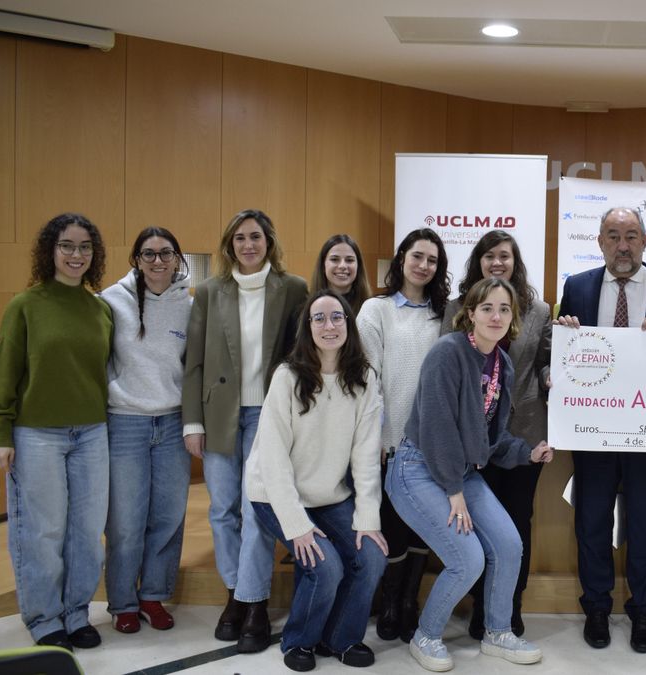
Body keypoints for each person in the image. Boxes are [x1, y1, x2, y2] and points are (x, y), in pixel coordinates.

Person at [388, 277, 554, 672]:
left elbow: (491, 439)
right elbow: (437, 428)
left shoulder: (502, 364)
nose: (496, 316)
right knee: (468, 559)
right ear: (471, 314)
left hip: (459, 473)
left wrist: (528, 452)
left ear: (513, 317)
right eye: (487, 308)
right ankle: (426, 636)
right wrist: (453, 490)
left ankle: (498, 632)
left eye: (504, 309)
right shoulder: (448, 352)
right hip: (418, 468)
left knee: (510, 545)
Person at [556, 206, 646, 654]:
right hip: (593, 429)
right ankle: (596, 607)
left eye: (631, 236)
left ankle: (644, 610)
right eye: (613, 236)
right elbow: (566, 357)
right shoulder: (577, 287)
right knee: (591, 521)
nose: (622, 246)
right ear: (599, 242)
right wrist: (565, 334)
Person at [0, 213, 113, 650]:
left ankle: (76, 613)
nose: (77, 255)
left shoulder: (99, 309)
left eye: (85, 247)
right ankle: (43, 619)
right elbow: (5, 370)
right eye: (67, 246)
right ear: (50, 250)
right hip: (36, 435)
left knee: (87, 532)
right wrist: (2, 432)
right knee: (43, 531)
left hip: (92, 434)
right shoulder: (25, 305)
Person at [182, 209, 309, 652]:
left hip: (268, 413)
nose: (248, 245)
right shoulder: (210, 291)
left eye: (256, 236)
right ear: (229, 245)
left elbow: (301, 354)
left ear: (269, 241)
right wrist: (192, 421)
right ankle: (235, 592)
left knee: (257, 508)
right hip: (218, 413)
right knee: (223, 509)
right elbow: (194, 360)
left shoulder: (293, 289)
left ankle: (253, 601)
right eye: (240, 238)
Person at [245, 291, 388, 671]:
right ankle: (299, 641)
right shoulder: (287, 377)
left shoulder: (364, 378)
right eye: (319, 318)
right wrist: (297, 526)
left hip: (330, 494)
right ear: (307, 328)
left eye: (337, 317)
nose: (329, 325)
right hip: (274, 493)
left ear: (348, 324)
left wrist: (368, 518)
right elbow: (272, 459)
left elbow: (365, 456)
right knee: (325, 567)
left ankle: (341, 638)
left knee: (372, 556)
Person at [440, 231, 552, 640]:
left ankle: (511, 606)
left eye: (505, 255)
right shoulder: (458, 307)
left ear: (515, 261)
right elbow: (447, 363)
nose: (497, 262)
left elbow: (545, 361)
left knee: (518, 523)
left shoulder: (538, 310)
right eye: (489, 256)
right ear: (479, 262)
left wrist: (551, 374)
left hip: (524, 432)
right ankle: (481, 607)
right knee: (479, 525)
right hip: (474, 437)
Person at [357, 228, 450, 643]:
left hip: (433, 443)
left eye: (432, 260)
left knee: (423, 528)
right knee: (393, 525)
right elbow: (366, 378)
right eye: (417, 256)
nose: (423, 266)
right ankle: (391, 602)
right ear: (401, 259)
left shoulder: (445, 314)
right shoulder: (375, 310)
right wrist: (376, 435)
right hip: (391, 440)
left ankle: (410, 601)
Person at [100, 227, 193, 634]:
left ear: (177, 259)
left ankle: (153, 595)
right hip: (125, 422)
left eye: (166, 253)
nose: (158, 261)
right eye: (149, 254)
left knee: (168, 516)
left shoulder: (189, 306)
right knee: (125, 521)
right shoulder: (111, 301)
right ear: (136, 259)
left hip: (172, 423)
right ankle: (122, 601)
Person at [311, 234, 371, 314]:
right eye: (334, 259)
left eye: (349, 260)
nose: (342, 266)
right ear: (323, 266)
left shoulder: (371, 309)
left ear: (358, 266)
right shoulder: (306, 309)